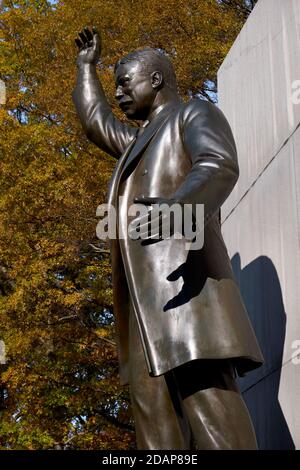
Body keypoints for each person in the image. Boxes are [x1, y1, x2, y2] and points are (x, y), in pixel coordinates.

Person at [72, 27, 264, 450]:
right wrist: (87, 70)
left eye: (125, 82)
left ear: (155, 80)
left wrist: (179, 208)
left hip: (188, 299)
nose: (119, 92)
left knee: (212, 417)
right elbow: (96, 124)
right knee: (155, 432)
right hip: (143, 313)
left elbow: (217, 164)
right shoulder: (135, 143)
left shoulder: (193, 114)